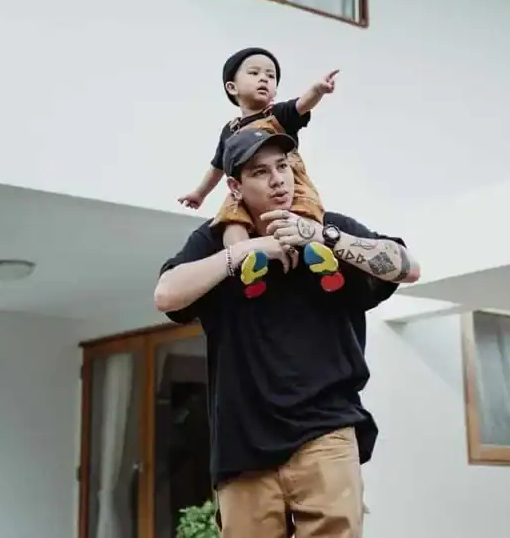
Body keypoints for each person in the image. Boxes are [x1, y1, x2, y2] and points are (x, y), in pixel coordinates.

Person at [155, 128, 420, 538]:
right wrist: (244, 251)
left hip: (326, 432)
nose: (278, 180)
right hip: (242, 444)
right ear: (235, 187)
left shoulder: (329, 226)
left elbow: (408, 266)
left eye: (283, 166)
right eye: (260, 172)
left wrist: (322, 236)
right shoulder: (215, 239)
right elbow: (166, 294)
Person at [177, 47, 341, 299]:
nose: (264, 78)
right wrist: (199, 193)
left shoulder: (278, 115)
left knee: (305, 214)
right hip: (244, 188)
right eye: (254, 73)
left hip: (292, 184)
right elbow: (217, 167)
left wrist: (317, 90)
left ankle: (319, 258)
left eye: (271, 76)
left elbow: (301, 105)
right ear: (232, 87)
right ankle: (249, 263)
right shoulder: (229, 130)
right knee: (231, 221)